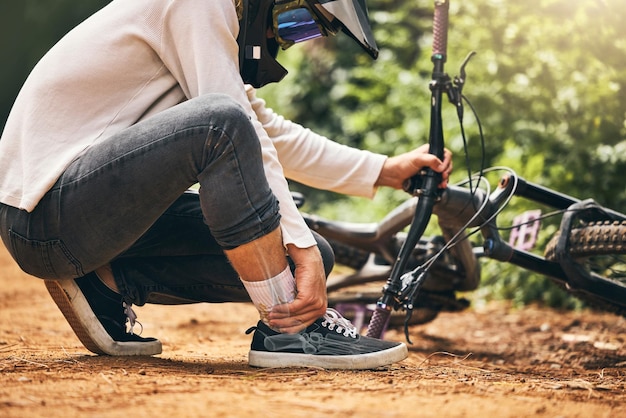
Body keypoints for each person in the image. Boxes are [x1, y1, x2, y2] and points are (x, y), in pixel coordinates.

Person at [0, 0, 452, 369]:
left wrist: (384, 169)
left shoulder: (211, 25)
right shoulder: (198, 5)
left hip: (86, 217)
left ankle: (110, 282)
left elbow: (267, 131)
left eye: (304, 32)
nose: (285, 40)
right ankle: (288, 332)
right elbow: (238, 130)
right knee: (222, 126)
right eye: (294, 21)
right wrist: (298, 243)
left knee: (309, 256)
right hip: (45, 218)